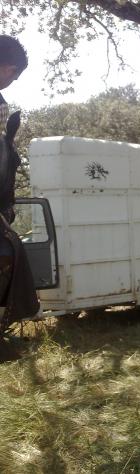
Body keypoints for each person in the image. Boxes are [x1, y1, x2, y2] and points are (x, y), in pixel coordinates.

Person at [0, 36, 39, 329]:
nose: (10, 83)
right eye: (14, 77)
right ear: (10, 69)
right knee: (10, 248)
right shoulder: (0, 106)